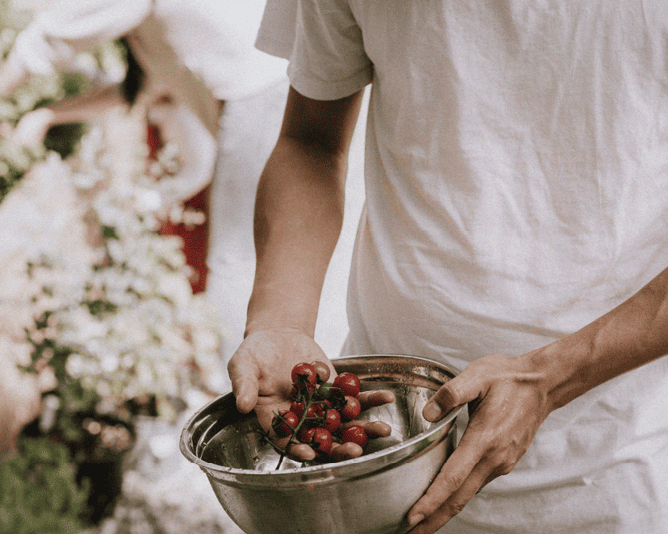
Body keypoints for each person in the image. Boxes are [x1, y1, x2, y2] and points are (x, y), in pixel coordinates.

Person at [228, 1, 668, 533]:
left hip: (606, 465)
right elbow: (310, 142)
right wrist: (281, 319)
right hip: (381, 445)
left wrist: (551, 379)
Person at [0, 0, 289, 448]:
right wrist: (47, 114)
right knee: (244, 272)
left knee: (236, 271)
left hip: (262, 101)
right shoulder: (154, 32)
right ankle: (253, 423)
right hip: (257, 102)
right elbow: (136, 88)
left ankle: (256, 431)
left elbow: (54, 33)